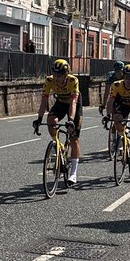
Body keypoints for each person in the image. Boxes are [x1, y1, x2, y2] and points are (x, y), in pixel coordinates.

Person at [34, 58, 82, 186]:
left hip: (74, 104)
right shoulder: (49, 80)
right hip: (60, 102)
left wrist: (71, 120)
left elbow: (73, 102)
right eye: (54, 74)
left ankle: (73, 173)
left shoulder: (73, 80)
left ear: (66, 74)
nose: (56, 77)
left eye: (59, 75)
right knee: (51, 120)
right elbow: (44, 101)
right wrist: (39, 119)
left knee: (73, 138)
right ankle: (58, 144)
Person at [105, 62, 130, 176]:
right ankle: (124, 136)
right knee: (116, 118)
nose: (128, 80)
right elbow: (111, 101)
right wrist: (108, 114)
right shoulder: (116, 85)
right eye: (126, 78)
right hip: (123, 106)